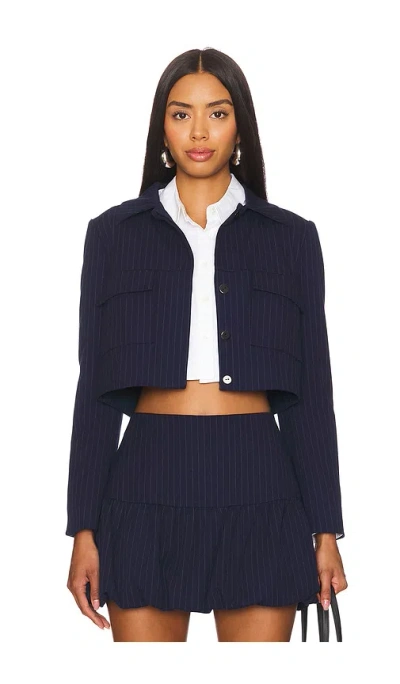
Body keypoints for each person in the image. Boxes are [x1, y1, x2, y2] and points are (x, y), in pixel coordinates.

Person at [65, 47, 348, 642]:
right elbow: (93, 392)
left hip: (259, 484)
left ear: (240, 126)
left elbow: (313, 395)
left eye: (217, 113)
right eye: (181, 114)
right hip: (145, 482)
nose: (199, 132)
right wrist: (82, 529)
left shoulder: (291, 239)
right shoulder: (112, 235)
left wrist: (326, 531)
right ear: (162, 128)